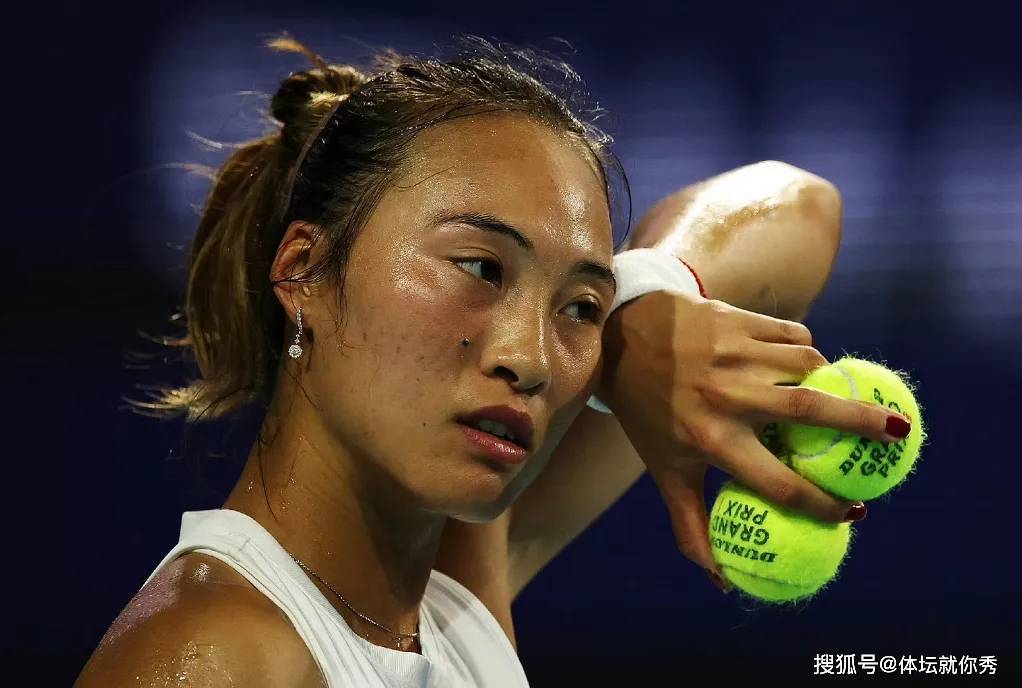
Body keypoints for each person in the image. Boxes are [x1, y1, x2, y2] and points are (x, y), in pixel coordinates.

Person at [75, 35, 911, 687]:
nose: (531, 358)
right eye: (479, 268)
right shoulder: (213, 656)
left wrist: (646, 310)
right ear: (304, 269)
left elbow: (802, 207)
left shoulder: (448, 592)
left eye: (578, 309)